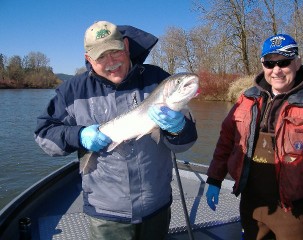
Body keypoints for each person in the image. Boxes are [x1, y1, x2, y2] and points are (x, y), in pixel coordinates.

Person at [34, 20, 197, 240]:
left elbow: (186, 142)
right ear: (88, 59)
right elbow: (44, 134)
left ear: (126, 47)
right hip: (106, 215)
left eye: (115, 51)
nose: (111, 62)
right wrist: (79, 136)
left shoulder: (157, 79)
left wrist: (178, 129)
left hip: (156, 206)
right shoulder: (72, 91)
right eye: (101, 56)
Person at [205, 33, 303, 239]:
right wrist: (214, 179)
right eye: (269, 63)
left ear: (297, 62)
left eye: (284, 62)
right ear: (262, 64)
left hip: (295, 212)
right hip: (252, 205)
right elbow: (226, 141)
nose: (276, 70)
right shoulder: (246, 99)